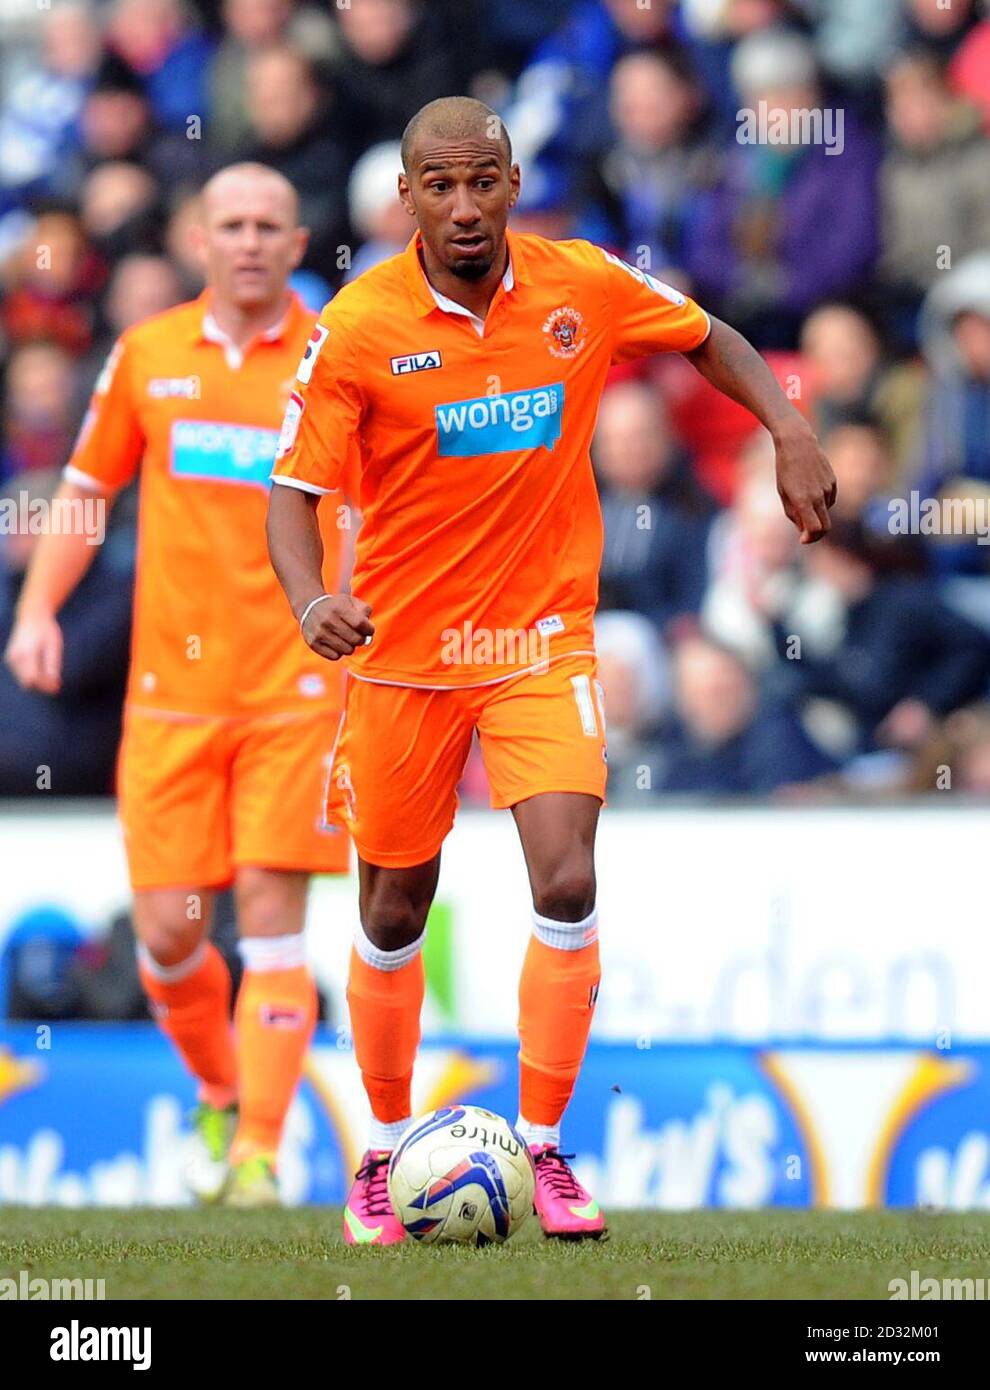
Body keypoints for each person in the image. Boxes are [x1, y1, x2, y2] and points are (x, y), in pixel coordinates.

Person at [266, 96, 835, 1244]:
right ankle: (379, 1154)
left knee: (566, 879)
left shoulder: (582, 282)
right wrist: (311, 597)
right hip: (402, 657)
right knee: (391, 906)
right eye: (441, 185)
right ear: (406, 198)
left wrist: (790, 426)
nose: (465, 207)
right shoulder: (361, 324)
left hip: (540, 641)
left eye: (485, 182)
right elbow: (293, 491)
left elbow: (708, 334)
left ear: (515, 184)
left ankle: (544, 1148)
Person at [5, 163, 353, 1208]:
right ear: (200, 241)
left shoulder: (337, 363)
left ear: (298, 246)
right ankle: (217, 1083)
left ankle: (256, 1150)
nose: (249, 241)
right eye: (229, 224)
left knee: (272, 920)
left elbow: (384, 511)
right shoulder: (150, 357)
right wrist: (35, 611)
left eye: (268, 226)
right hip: (169, 699)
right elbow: (83, 490)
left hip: (297, 691)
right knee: (168, 934)